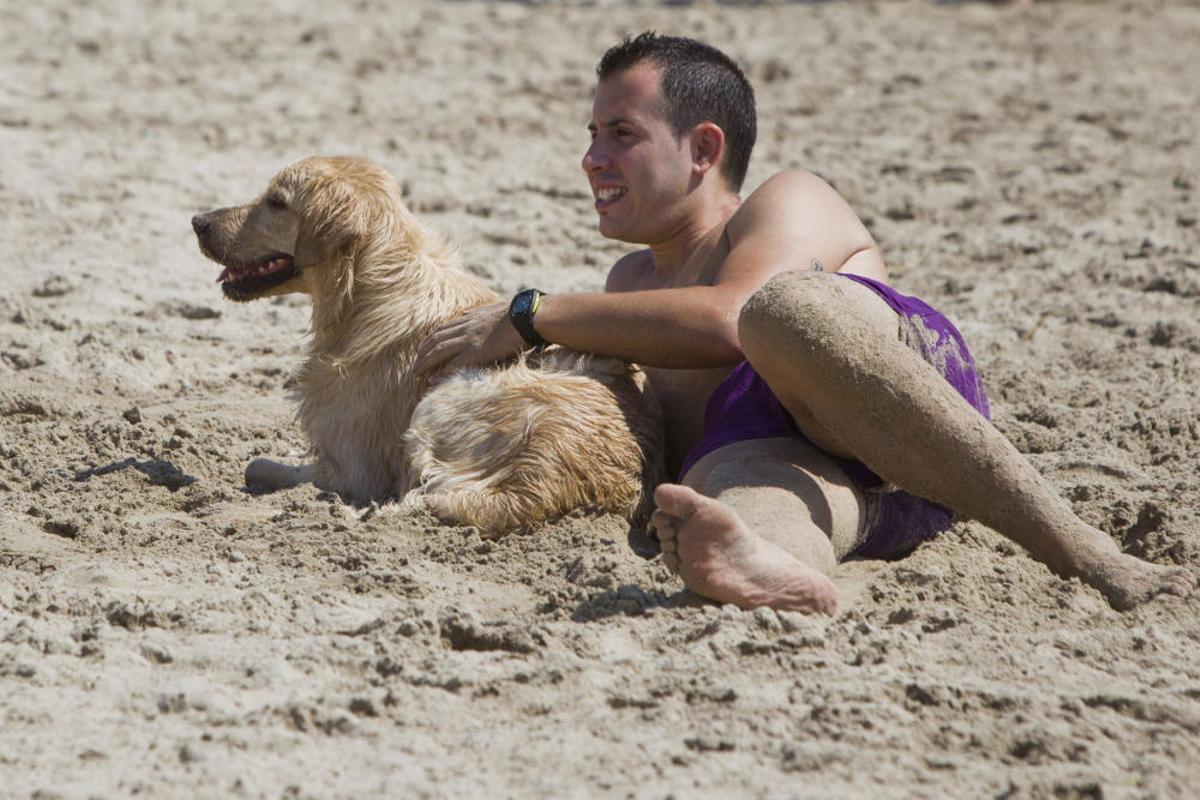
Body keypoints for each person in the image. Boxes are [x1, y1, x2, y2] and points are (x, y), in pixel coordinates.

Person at [413, 33, 1193, 615]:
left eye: (621, 134)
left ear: (702, 149)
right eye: (590, 135)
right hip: (846, 489)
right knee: (721, 501)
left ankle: (1079, 548)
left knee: (785, 311)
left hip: (915, 427)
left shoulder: (787, 201)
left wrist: (532, 315)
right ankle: (784, 571)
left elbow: (731, 322)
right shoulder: (630, 283)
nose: (592, 158)